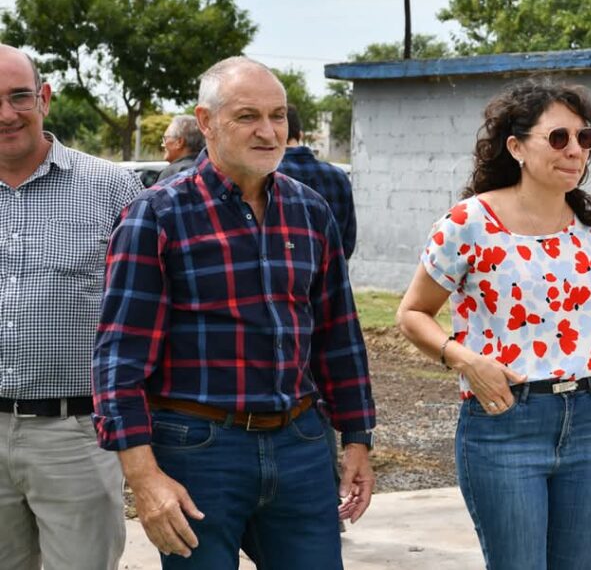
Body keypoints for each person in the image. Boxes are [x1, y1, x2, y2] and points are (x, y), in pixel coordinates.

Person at [92, 56, 376, 569]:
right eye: (248, 116)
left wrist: (356, 438)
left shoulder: (310, 211)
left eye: (278, 115)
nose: (268, 131)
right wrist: (144, 478)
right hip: (199, 451)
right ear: (206, 122)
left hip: (301, 444)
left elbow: (339, 335)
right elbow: (119, 362)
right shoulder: (156, 215)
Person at [396, 80, 591, 570]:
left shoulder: (590, 223)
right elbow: (411, 314)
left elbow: (574, 319)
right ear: (516, 147)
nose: (575, 151)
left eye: (584, 139)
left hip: (589, 423)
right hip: (505, 424)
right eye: (558, 138)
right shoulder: (470, 221)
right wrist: (465, 360)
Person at [0, 44, 143, 569]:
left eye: (19, 97)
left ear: (45, 98)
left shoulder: (113, 189)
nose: (6, 114)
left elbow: (146, 313)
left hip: (76, 435)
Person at [277, 104, 356, 259]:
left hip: (283, 278)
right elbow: (348, 242)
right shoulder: (339, 176)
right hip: (332, 276)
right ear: (299, 134)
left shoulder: (265, 176)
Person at [156, 114, 204, 182]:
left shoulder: (172, 173)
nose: (163, 145)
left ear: (179, 142)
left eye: (165, 139)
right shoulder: (210, 169)